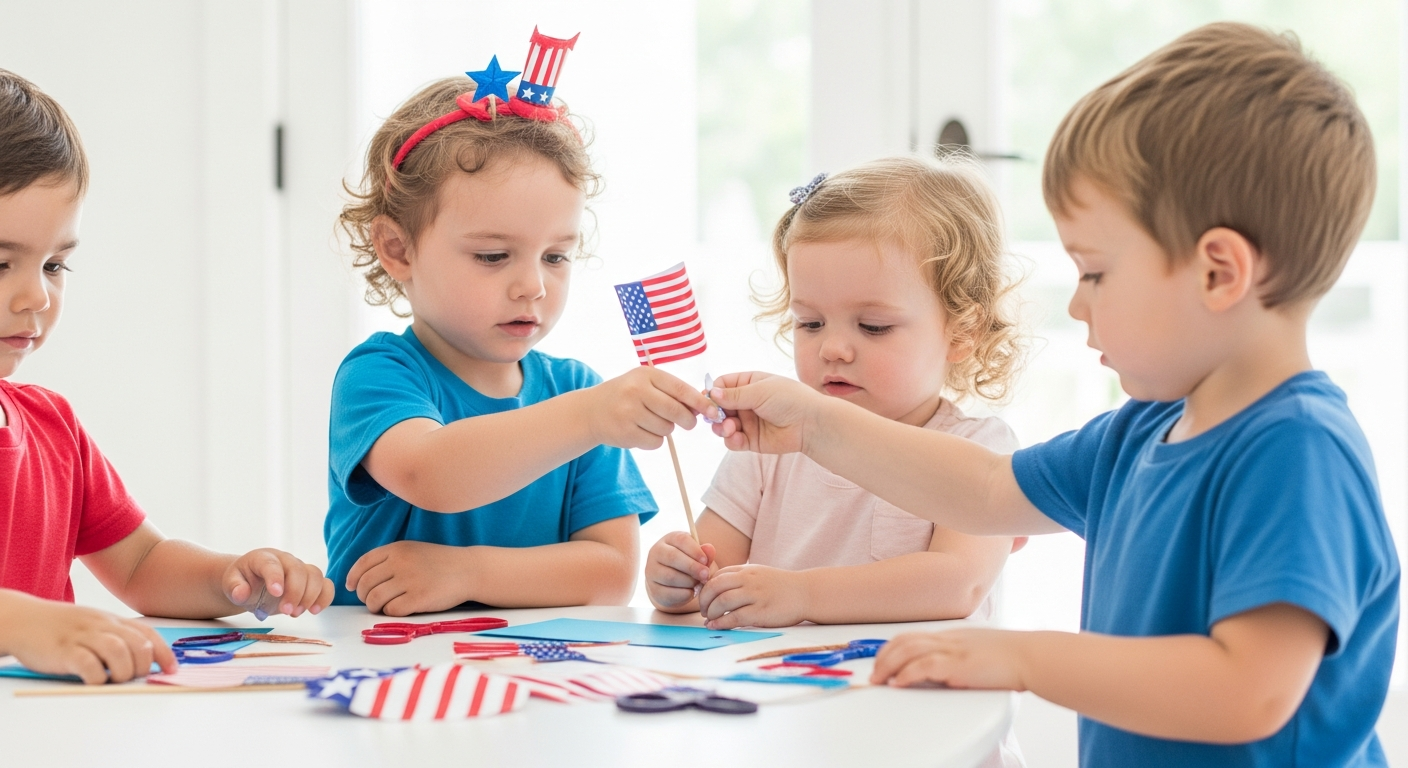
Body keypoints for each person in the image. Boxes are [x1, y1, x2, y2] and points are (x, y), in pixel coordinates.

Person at [706, 23, 1399, 767]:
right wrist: (814, 422)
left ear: (1218, 272)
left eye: (1095, 272)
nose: (1077, 303)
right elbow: (983, 490)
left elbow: (1247, 691)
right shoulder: (1140, 433)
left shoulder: (1298, 449)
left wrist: (1023, 657)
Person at [327, 46, 714, 616]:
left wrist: (465, 572)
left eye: (555, 257)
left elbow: (610, 576)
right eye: (492, 256)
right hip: (375, 656)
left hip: (530, 663)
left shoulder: (577, 391)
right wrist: (588, 417)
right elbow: (428, 472)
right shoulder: (379, 374)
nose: (532, 286)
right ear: (397, 249)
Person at [0, 69, 334, 685]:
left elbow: (141, 565)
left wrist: (229, 578)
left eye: (54, 265)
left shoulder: (52, 426)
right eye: (1, 262)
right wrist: (20, 624)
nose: (37, 297)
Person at [645, 157, 1027, 630]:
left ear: (963, 330)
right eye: (810, 323)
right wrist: (676, 578)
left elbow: (957, 584)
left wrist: (803, 595)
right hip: (773, 675)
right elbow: (711, 580)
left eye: (873, 326)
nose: (833, 349)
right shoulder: (770, 447)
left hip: (912, 676)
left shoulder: (981, 452)